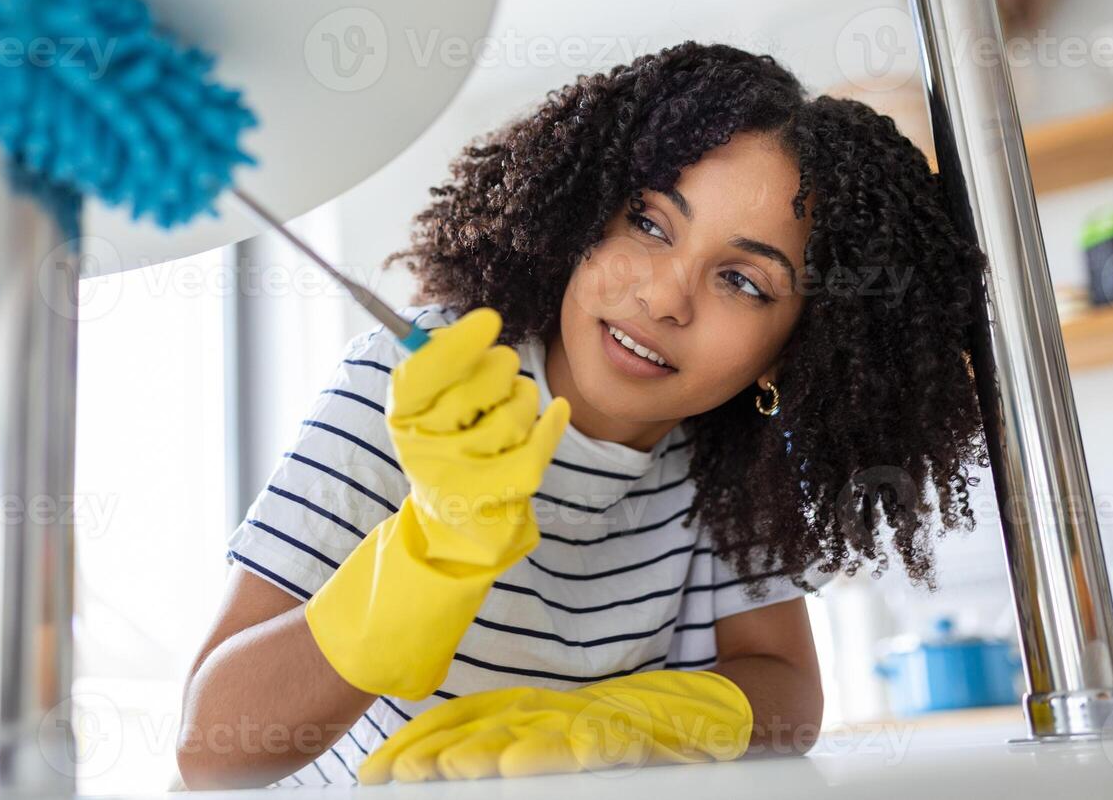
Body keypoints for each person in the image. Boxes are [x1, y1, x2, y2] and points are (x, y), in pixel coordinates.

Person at [174, 42, 989, 789]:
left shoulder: (732, 463)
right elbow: (213, 748)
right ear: (585, 217)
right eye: (649, 223)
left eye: (743, 281)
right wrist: (434, 545)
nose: (664, 298)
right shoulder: (411, 384)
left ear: (797, 345)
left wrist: (618, 725)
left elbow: (787, 691)